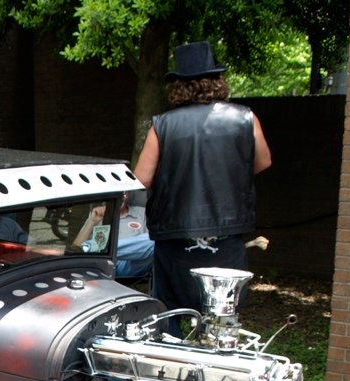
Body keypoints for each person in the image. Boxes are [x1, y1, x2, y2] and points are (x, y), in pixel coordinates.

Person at [133, 40, 272, 323]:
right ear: (217, 80)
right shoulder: (245, 118)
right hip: (226, 236)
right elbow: (263, 161)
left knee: (167, 314)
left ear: (178, 85)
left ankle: (169, 362)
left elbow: (142, 179)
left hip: (175, 236)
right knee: (222, 319)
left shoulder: (163, 125)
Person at [72, 192, 155, 278]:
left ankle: (103, 249)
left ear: (128, 194)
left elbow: (147, 245)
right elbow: (77, 247)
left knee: (156, 240)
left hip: (130, 263)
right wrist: (92, 221)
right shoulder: (98, 213)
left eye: (123, 193)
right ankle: (102, 250)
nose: (120, 197)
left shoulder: (142, 212)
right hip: (102, 264)